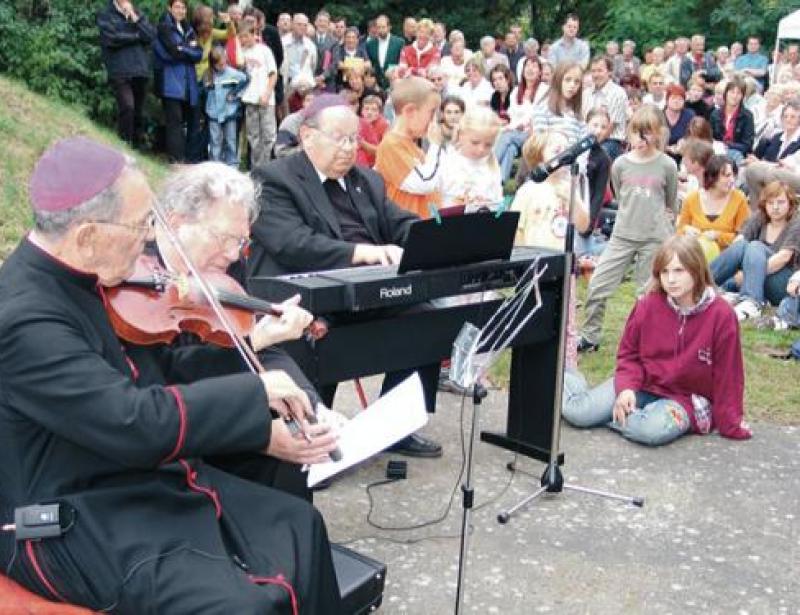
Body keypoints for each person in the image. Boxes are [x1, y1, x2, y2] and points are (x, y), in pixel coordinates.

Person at [0, 136, 342, 613]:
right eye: (141, 224)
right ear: (86, 236)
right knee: (237, 605)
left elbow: (154, 371)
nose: (147, 240)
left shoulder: (82, 279)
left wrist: (255, 379)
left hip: (119, 480)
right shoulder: (25, 318)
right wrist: (250, 395)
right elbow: (130, 421)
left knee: (299, 524)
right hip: (68, 518)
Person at [247, 95, 443, 458]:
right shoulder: (273, 179)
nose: (350, 148)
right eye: (340, 138)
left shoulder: (365, 180)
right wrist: (361, 253)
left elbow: (398, 223)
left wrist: (440, 237)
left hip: (363, 292)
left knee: (426, 320)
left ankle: (398, 424)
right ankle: (313, 437)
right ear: (307, 137)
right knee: (314, 331)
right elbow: (292, 244)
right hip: (303, 294)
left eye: (355, 138)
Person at [564, 235, 752, 445]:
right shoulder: (647, 305)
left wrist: (731, 424)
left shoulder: (722, 315)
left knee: (649, 432)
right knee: (578, 414)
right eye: (665, 271)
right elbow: (629, 355)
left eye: (679, 270)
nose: (671, 279)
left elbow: (729, 375)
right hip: (642, 384)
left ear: (697, 269)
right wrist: (626, 389)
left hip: (684, 400)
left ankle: (619, 417)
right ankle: (562, 375)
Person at [579, 105, 678, 352]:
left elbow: (670, 201)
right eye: (637, 132)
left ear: (658, 134)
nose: (642, 139)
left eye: (648, 133)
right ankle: (590, 337)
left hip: (654, 237)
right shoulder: (620, 164)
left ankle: (646, 342)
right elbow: (621, 197)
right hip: (623, 235)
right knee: (597, 285)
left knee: (648, 296)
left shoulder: (667, 165)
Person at [512, 129, 589, 370]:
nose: (562, 154)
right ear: (539, 157)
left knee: (567, 322)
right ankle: (535, 366)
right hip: (534, 267)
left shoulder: (573, 186)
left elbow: (584, 224)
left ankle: (567, 371)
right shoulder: (529, 190)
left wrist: (571, 198)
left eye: (566, 148)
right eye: (555, 149)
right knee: (534, 317)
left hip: (564, 267)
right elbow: (517, 231)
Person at [711, 181, 800, 320]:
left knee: (755, 246)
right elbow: (738, 242)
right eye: (770, 203)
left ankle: (752, 302)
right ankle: (700, 283)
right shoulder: (760, 216)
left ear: (790, 203)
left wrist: (750, 272)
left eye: (781, 202)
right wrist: (745, 270)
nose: (775, 207)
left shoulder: (796, 222)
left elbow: (784, 257)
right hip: (755, 279)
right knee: (742, 246)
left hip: (785, 282)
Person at [374, 77, 443, 218]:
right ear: (410, 111)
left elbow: (436, 186)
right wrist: (435, 145)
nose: (435, 120)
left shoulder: (413, 147)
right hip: (406, 229)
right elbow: (425, 183)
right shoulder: (391, 145)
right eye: (431, 112)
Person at [96, 0, 155, 147]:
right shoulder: (106, 14)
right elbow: (112, 38)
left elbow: (151, 36)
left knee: (138, 113)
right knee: (128, 107)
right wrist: (136, 36)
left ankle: (135, 147)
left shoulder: (138, 13)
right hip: (120, 71)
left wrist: (136, 18)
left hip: (139, 70)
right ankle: (124, 144)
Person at [153, 0, 202, 163]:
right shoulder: (163, 27)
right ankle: (176, 161)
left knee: (193, 123)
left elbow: (199, 54)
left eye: (183, 7)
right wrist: (187, 50)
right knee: (175, 123)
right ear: (169, 8)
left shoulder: (188, 28)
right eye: (177, 7)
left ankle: (190, 161)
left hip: (189, 83)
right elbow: (170, 53)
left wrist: (183, 48)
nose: (181, 10)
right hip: (171, 82)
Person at [678, 155, 750, 260]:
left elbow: (744, 237)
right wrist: (686, 230)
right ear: (712, 177)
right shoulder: (691, 199)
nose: (732, 180)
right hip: (694, 258)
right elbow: (679, 231)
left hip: (726, 260)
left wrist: (718, 236)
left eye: (733, 176)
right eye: (726, 176)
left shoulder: (739, 199)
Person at [438, 106, 503, 209]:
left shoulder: (492, 166)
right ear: (461, 135)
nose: (481, 149)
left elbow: (498, 203)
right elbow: (434, 202)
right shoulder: (446, 162)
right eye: (475, 142)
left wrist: (488, 204)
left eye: (488, 145)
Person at [494, 57, 547, 182]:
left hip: (533, 133)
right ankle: (499, 182)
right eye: (527, 66)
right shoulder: (516, 91)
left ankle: (487, 168)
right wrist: (514, 126)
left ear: (540, 72)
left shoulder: (544, 89)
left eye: (534, 66)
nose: (530, 69)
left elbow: (533, 114)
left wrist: (512, 127)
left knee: (507, 136)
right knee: (510, 147)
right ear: (522, 70)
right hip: (516, 132)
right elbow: (512, 115)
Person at [744, 99, 800, 207]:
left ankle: (772, 211)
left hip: (795, 174)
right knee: (752, 169)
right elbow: (782, 161)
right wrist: (759, 163)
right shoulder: (777, 137)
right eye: (786, 116)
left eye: (793, 117)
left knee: (773, 175)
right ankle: (758, 212)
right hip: (780, 168)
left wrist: (788, 166)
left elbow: (791, 164)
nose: (788, 120)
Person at [238, 20, 277, 170]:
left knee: (268, 136)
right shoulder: (241, 52)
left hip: (265, 99)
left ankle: (267, 168)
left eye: (246, 36)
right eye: (241, 37)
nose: (244, 40)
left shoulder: (264, 50)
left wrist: (267, 93)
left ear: (254, 35)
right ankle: (256, 169)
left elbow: (273, 74)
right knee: (253, 137)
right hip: (249, 98)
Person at [203, 47, 248, 167]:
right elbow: (205, 92)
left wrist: (235, 94)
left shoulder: (234, 74)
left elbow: (246, 81)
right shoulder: (208, 75)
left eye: (224, 63)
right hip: (214, 113)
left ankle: (232, 166)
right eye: (219, 65)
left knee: (230, 140)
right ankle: (215, 166)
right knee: (215, 141)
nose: (222, 67)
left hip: (229, 112)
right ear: (213, 64)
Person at [583, 55, 628, 160]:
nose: (596, 74)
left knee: (595, 157)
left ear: (609, 72)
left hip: (610, 141)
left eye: (600, 70)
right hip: (587, 139)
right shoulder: (586, 93)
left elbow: (611, 126)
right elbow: (583, 121)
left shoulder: (617, 93)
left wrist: (590, 147)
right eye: (593, 71)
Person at [530, 61, 586, 144]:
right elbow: (540, 142)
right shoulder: (542, 109)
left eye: (577, 82)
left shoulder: (578, 115)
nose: (572, 85)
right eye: (568, 80)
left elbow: (583, 144)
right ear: (558, 80)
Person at [710, 78, 755, 165]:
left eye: (738, 93)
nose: (734, 96)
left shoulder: (747, 116)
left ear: (742, 96)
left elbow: (747, 145)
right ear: (726, 94)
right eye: (732, 92)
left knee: (735, 155)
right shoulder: (715, 114)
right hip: (717, 152)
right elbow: (710, 138)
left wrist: (727, 145)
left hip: (737, 153)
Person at [365, 15, 405, 90]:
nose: (381, 30)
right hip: (375, 86)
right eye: (378, 27)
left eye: (383, 27)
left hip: (394, 84)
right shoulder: (370, 44)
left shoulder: (399, 43)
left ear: (389, 27)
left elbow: (402, 64)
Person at [663, 84, 695, 160]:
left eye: (680, 99)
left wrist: (685, 143)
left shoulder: (690, 115)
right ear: (667, 100)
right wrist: (667, 148)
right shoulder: (658, 116)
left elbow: (695, 137)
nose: (676, 101)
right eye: (673, 98)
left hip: (684, 156)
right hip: (662, 155)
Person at [356, 94, 389, 167]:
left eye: (374, 110)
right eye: (366, 109)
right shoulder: (357, 123)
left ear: (380, 113)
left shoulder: (384, 126)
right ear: (362, 111)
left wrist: (362, 143)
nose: (369, 112)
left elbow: (383, 151)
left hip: (376, 165)